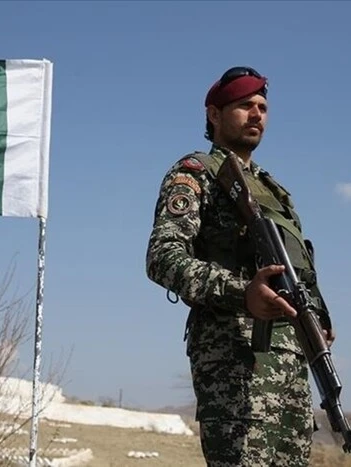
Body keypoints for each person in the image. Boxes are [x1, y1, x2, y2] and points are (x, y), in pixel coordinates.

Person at [145, 66, 335, 467]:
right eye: (245, 105)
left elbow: (296, 266)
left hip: (290, 365)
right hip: (233, 361)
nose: (256, 114)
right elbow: (163, 257)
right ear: (214, 114)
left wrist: (319, 316)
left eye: (263, 107)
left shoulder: (274, 189)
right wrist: (242, 293)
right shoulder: (195, 174)